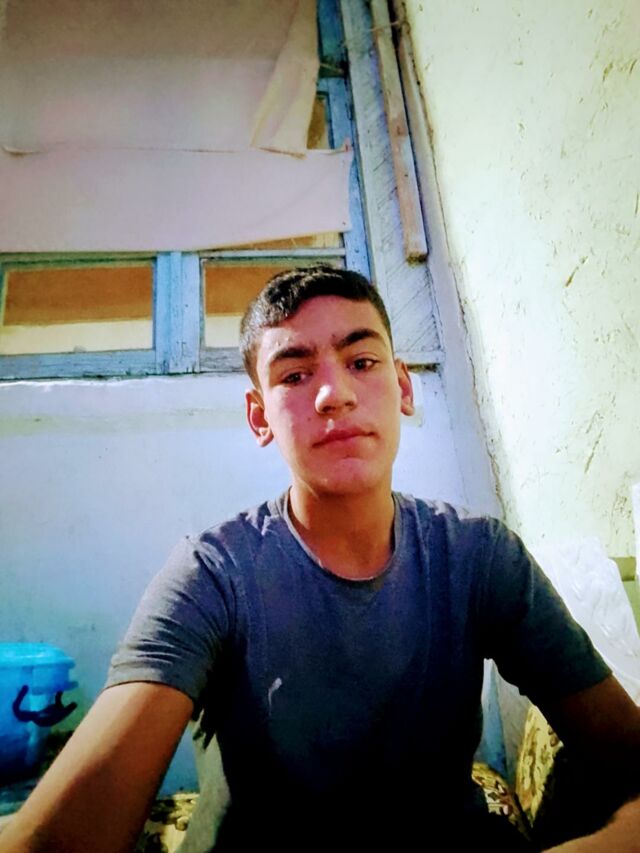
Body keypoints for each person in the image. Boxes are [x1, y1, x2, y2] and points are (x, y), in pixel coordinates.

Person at [0, 266, 638, 852]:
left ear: (403, 387)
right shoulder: (212, 576)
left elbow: (626, 757)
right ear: (260, 417)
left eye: (362, 361)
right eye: (295, 375)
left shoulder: (479, 556)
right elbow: (57, 839)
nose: (334, 393)